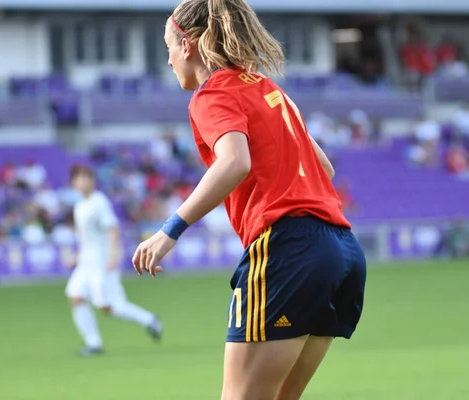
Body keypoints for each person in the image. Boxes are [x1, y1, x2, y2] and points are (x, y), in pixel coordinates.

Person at [132, 1, 367, 399]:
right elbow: (322, 168)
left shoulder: (212, 93)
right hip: (341, 251)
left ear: (187, 46)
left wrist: (170, 230)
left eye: (168, 47)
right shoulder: (269, 90)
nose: (169, 61)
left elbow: (235, 162)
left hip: (289, 250)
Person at [66, 164, 163, 356]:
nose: (83, 181)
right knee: (76, 296)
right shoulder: (79, 205)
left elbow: (113, 229)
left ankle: (150, 320)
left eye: (87, 177)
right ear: (73, 183)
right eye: (79, 177)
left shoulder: (98, 202)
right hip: (87, 261)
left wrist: (112, 256)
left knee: (109, 306)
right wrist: (77, 257)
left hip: (102, 260)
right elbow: (87, 238)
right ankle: (93, 343)